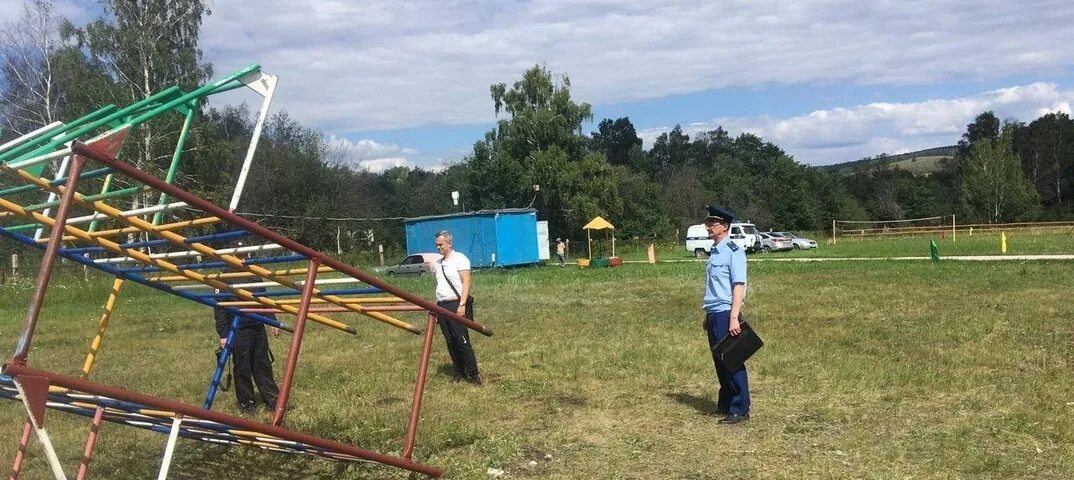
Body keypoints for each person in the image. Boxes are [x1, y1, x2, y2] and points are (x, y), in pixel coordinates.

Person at [700, 205, 751, 424]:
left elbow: (738, 285)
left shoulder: (733, 250)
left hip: (726, 312)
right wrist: (708, 315)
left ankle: (740, 408)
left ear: (725, 226)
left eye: (713, 223)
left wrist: (733, 316)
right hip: (714, 312)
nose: (709, 227)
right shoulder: (715, 251)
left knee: (732, 360)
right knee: (719, 362)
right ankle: (727, 403)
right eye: (708, 223)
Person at [215, 256, 281, 413]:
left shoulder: (254, 275)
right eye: (239, 257)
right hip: (238, 330)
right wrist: (224, 334)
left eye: (244, 257)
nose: (243, 260)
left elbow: (265, 300)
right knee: (242, 368)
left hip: (257, 326)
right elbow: (219, 309)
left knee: (262, 365)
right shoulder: (223, 278)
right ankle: (247, 402)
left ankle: (272, 399)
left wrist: (272, 321)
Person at [433, 230, 482, 385]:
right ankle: (459, 371)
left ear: (449, 243)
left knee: (462, 341)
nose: (438, 247)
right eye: (436, 245)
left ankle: (474, 375)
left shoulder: (460, 259)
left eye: (441, 244)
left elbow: (466, 282)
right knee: (450, 341)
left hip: (456, 304)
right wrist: (436, 307)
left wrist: (462, 304)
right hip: (442, 305)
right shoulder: (439, 263)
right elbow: (440, 286)